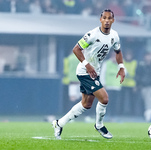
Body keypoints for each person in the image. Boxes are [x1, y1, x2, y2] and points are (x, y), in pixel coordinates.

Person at [52, 9, 125, 139]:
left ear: (113, 20)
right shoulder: (92, 34)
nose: (107, 21)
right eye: (105, 18)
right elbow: (76, 49)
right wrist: (87, 64)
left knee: (86, 104)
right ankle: (99, 125)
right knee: (104, 98)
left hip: (94, 72)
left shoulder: (114, 36)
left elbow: (118, 51)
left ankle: (59, 123)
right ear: (100, 19)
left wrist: (121, 67)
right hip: (85, 71)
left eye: (110, 18)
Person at [100, 51, 122, 117]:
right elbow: (102, 74)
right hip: (108, 86)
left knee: (115, 103)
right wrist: (103, 84)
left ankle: (113, 116)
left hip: (116, 87)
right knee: (107, 102)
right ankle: (106, 115)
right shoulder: (106, 63)